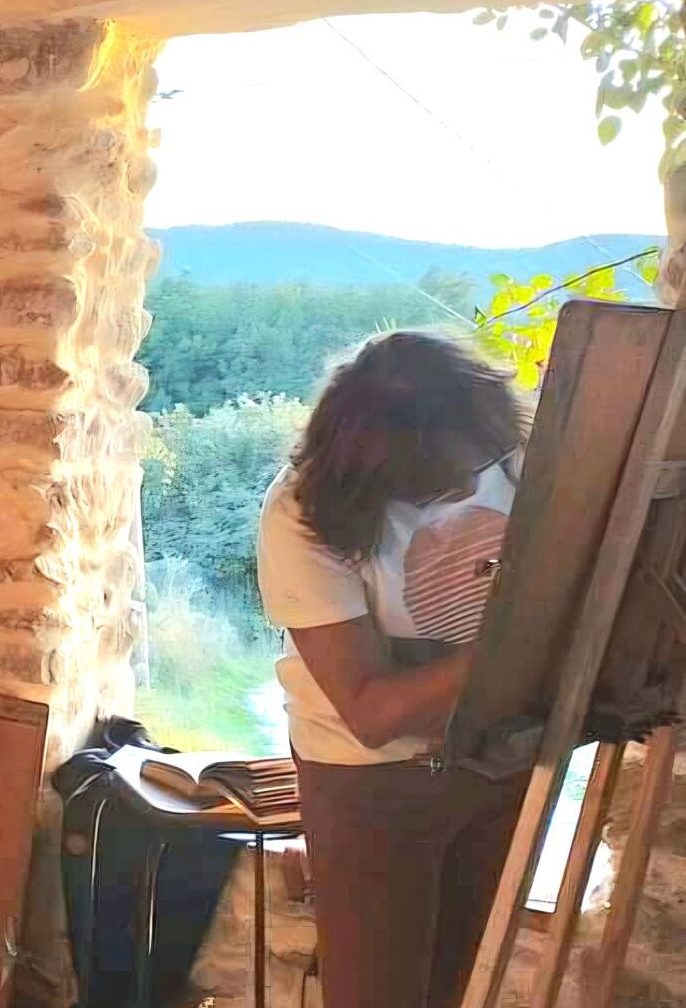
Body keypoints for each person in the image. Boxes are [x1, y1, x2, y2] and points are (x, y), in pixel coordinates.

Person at [255, 331, 529, 1008]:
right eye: (448, 478)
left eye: (483, 463)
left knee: (454, 988)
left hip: (496, 757)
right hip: (368, 785)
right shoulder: (302, 513)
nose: (472, 484)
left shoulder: (505, 449)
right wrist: (524, 638)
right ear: (385, 465)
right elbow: (372, 713)